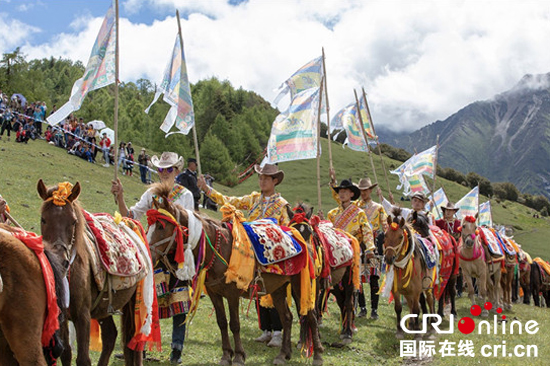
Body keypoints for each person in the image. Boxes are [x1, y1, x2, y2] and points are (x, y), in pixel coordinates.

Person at [111, 152, 193, 364]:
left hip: (177, 254)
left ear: (177, 171)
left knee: (179, 301)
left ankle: (177, 350)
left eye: (169, 169)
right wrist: (120, 196)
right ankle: (141, 348)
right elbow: (131, 216)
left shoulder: (185, 195)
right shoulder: (151, 195)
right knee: (145, 298)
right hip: (153, 252)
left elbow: (189, 226)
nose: (164, 173)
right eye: (160, 169)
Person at [198, 163, 290, 348]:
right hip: (250, 247)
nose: (262, 181)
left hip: (271, 250)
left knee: (273, 289)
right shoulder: (254, 198)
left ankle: (278, 331)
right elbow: (229, 200)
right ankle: (266, 329)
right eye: (260, 178)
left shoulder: (282, 204)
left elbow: (286, 227)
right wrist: (207, 189)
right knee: (253, 287)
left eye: (266, 178)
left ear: (274, 181)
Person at [330, 172, 387, 320]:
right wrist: (333, 181)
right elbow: (339, 197)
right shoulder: (353, 207)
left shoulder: (378, 207)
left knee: (374, 276)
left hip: (371, 244)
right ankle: (361, 307)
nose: (364, 192)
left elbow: (382, 226)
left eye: (367, 189)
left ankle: (374, 309)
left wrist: (377, 246)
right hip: (350, 244)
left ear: (371, 190)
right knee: (358, 278)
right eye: (362, 190)